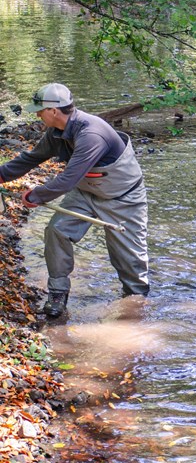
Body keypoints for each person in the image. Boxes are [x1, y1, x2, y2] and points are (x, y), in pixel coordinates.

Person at [0, 83, 149, 317]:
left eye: (39, 110)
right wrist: (1, 175)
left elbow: (67, 179)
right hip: (84, 193)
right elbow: (31, 158)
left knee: (129, 260)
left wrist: (35, 196)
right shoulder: (56, 133)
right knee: (56, 231)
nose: (37, 115)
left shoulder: (91, 134)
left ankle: (135, 308)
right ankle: (58, 296)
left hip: (123, 198)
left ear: (53, 110)